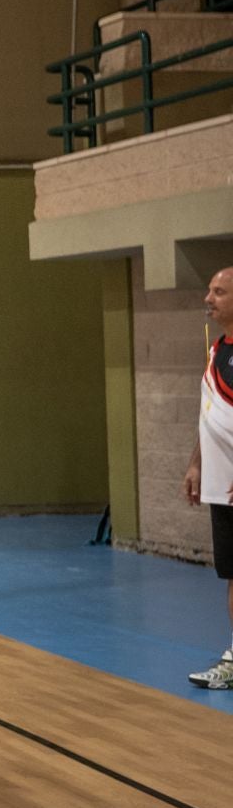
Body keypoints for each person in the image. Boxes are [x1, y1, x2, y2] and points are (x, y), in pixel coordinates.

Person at [187, 266, 233, 691]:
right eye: (209, 290)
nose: (209, 297)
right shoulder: (218, 350)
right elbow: (211, 413)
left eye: (219, 291)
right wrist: (197, 464)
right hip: (224, 490)